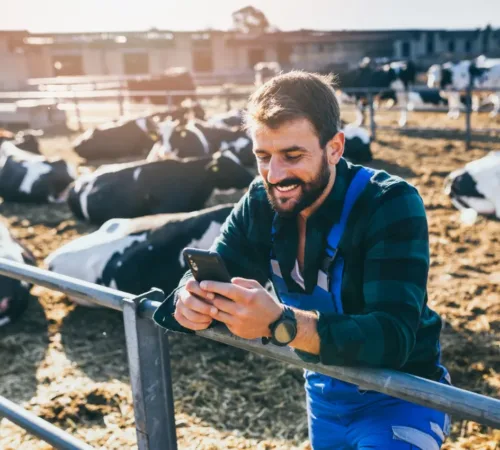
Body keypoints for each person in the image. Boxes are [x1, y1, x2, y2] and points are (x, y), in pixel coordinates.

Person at [153, 71, 450, 449]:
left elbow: (394, 337)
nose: (275, 175)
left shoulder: (390, 204)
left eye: (293, 156)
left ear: (335, 148)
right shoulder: (261, 200)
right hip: (324, 391)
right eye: (263, 156)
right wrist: (188, 298)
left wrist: (282, 323)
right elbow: (217, 267)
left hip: (402, 396)